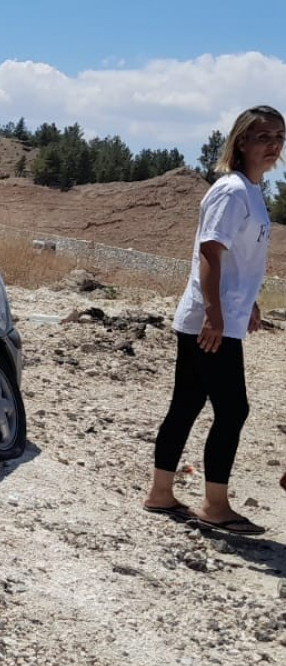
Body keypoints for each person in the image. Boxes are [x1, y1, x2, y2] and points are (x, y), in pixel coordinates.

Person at [143, 105, 285, 534]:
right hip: (210, 321)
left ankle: (161, 493)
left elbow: (240, 260)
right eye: (263, 137)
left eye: (279, 136)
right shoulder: (231, 190)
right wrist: (215, 314)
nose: (273, 145)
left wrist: (250, 302)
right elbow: (210, 251)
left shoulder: (252, 191)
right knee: (233, 410)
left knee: (186, 403)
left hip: (217, 316)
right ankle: (215, 504)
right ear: (241, 141)